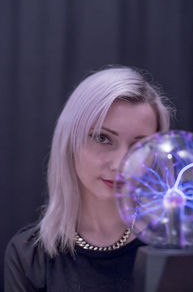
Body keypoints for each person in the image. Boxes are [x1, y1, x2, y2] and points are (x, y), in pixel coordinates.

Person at [4, 65, 171, 291]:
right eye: (103, 138)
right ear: (69, 140)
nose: (121, 164)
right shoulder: (30, 256)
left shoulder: (172, 247)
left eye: (140, 146)